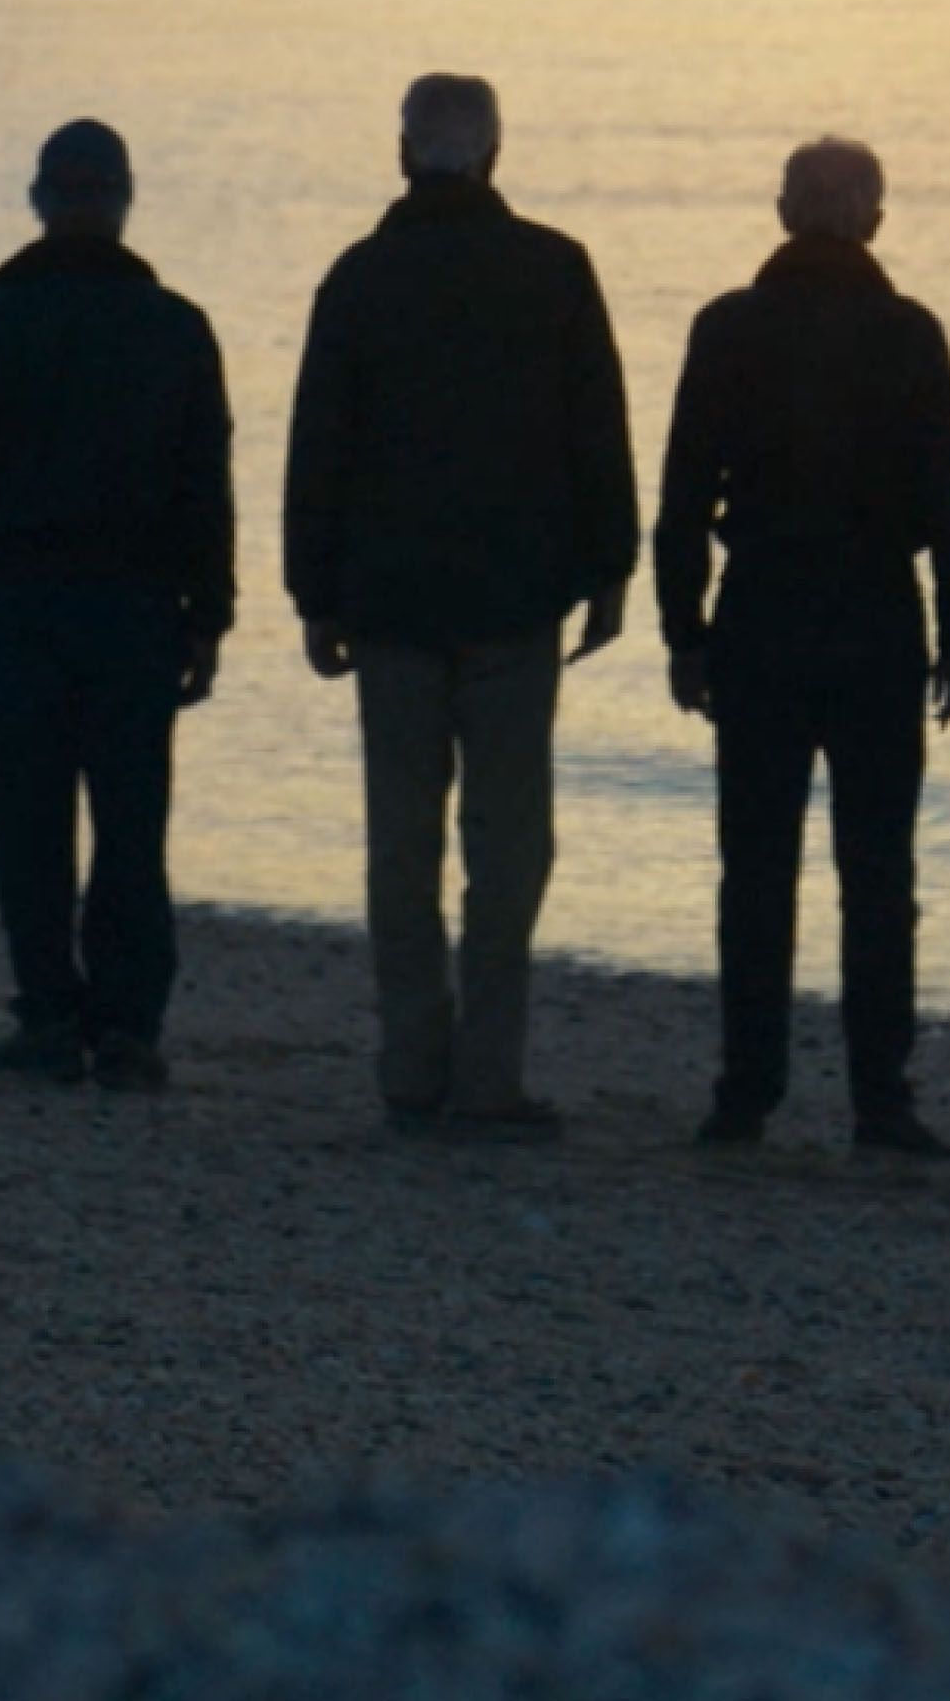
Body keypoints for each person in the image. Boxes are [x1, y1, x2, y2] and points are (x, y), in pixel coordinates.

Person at [284, 74, 637, 1141]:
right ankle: (488, 1077)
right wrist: (611, 570)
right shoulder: (553, 269)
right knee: (509, 845)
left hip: (390, 603)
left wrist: (314, 589)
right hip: (513, 601)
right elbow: (597, 430)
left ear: (402, 153)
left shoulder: (360, 276)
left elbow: (318, 448)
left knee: (402, 844)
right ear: (495, 154)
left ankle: (409, 1066)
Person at [653, 137, 950, 1158]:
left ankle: (745, 1091)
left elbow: (680, 500)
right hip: (880, 623)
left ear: (784, 211)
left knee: (754, 869)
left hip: (759, 621)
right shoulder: (909, 333)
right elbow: (947, 501)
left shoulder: (729, 328)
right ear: (875, 220)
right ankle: (880, 1098)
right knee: (879, 872)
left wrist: (684, 630)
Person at [0, 117, 232, 1094]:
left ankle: (48, 1014)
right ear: (123, 202)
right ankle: (129, 1027)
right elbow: (203, 487)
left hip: (15, 606)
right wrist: (208, 616)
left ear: (43, 202)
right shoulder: (174, 328)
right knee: (132, 826)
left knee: (27, 824)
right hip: (134, 610)